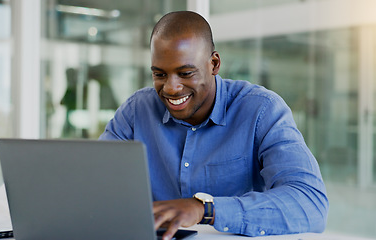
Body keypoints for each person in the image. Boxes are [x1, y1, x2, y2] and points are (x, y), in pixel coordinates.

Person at [99, 11, 328, 239]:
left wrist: (205, 210)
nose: (171, 88)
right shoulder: (136, 110)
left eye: (185, 73)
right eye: (159, 74)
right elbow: (93, 185)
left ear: (214, 64)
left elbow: (310, 203)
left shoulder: (261, 110)